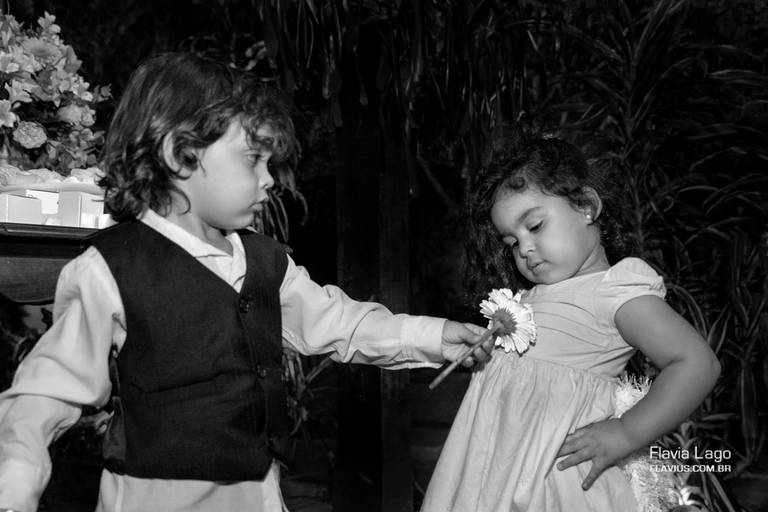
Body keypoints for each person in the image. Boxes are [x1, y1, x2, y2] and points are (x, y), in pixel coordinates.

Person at [0, 52, 492, 512]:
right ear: (181, 155)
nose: (269, 179)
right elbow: (47, 391)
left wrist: (435, 336)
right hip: (154, 497)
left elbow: (338, 323)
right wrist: (13, 485)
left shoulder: (262, 260)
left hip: (257, 494)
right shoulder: (109, 268)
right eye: (252, 160)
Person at [420, 132, 721, 511]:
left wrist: (626, 433)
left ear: (585, 206)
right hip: (491, 472)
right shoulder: (526, 302)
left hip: (552, 479)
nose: (524, 248)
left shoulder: (613, 290)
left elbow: (696, 363)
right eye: (511, 242)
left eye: (535, 226)